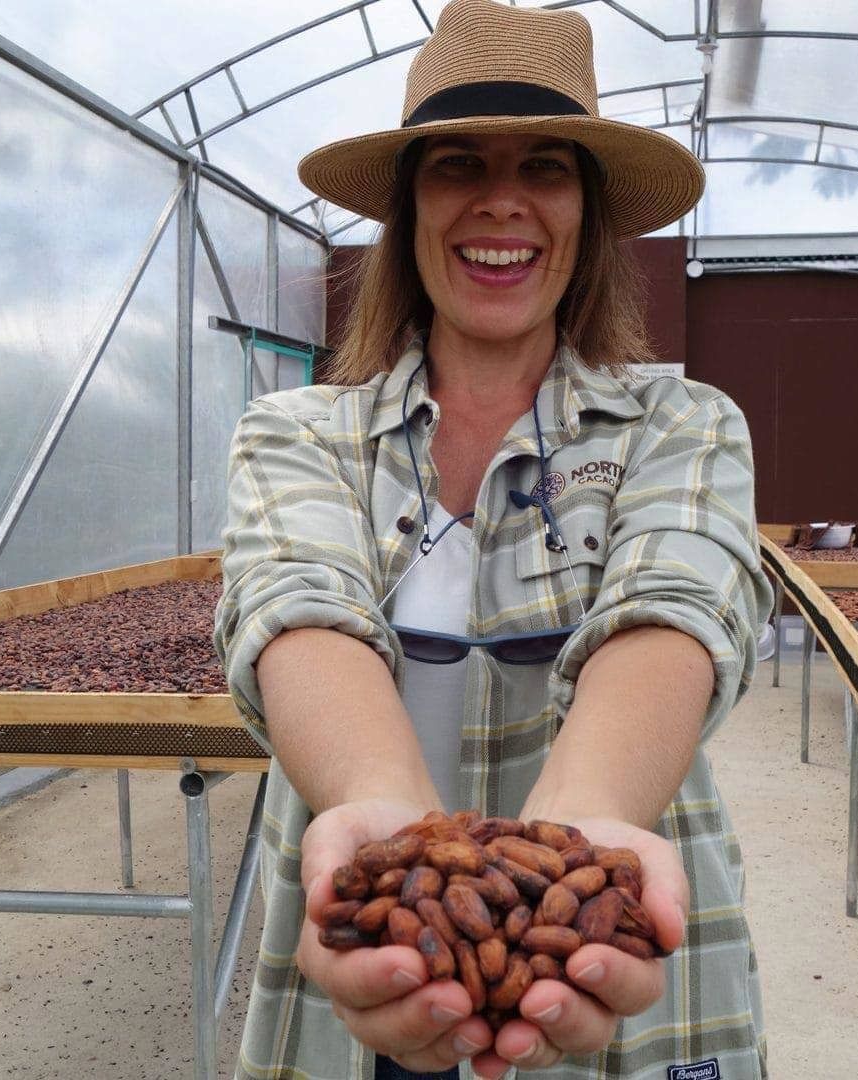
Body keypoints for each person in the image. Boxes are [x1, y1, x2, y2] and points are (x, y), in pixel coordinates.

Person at [214, 1, 771, 1076]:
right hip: (374, 962)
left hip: (622, 986)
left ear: (589, 211)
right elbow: (300, 612)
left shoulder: (682, 424)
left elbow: (673, 610)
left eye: (547, 167)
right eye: (459, 163)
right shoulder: (299, 434)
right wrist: (392, 830)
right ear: (410, 206)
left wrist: (587, 829)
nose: (502, 202)